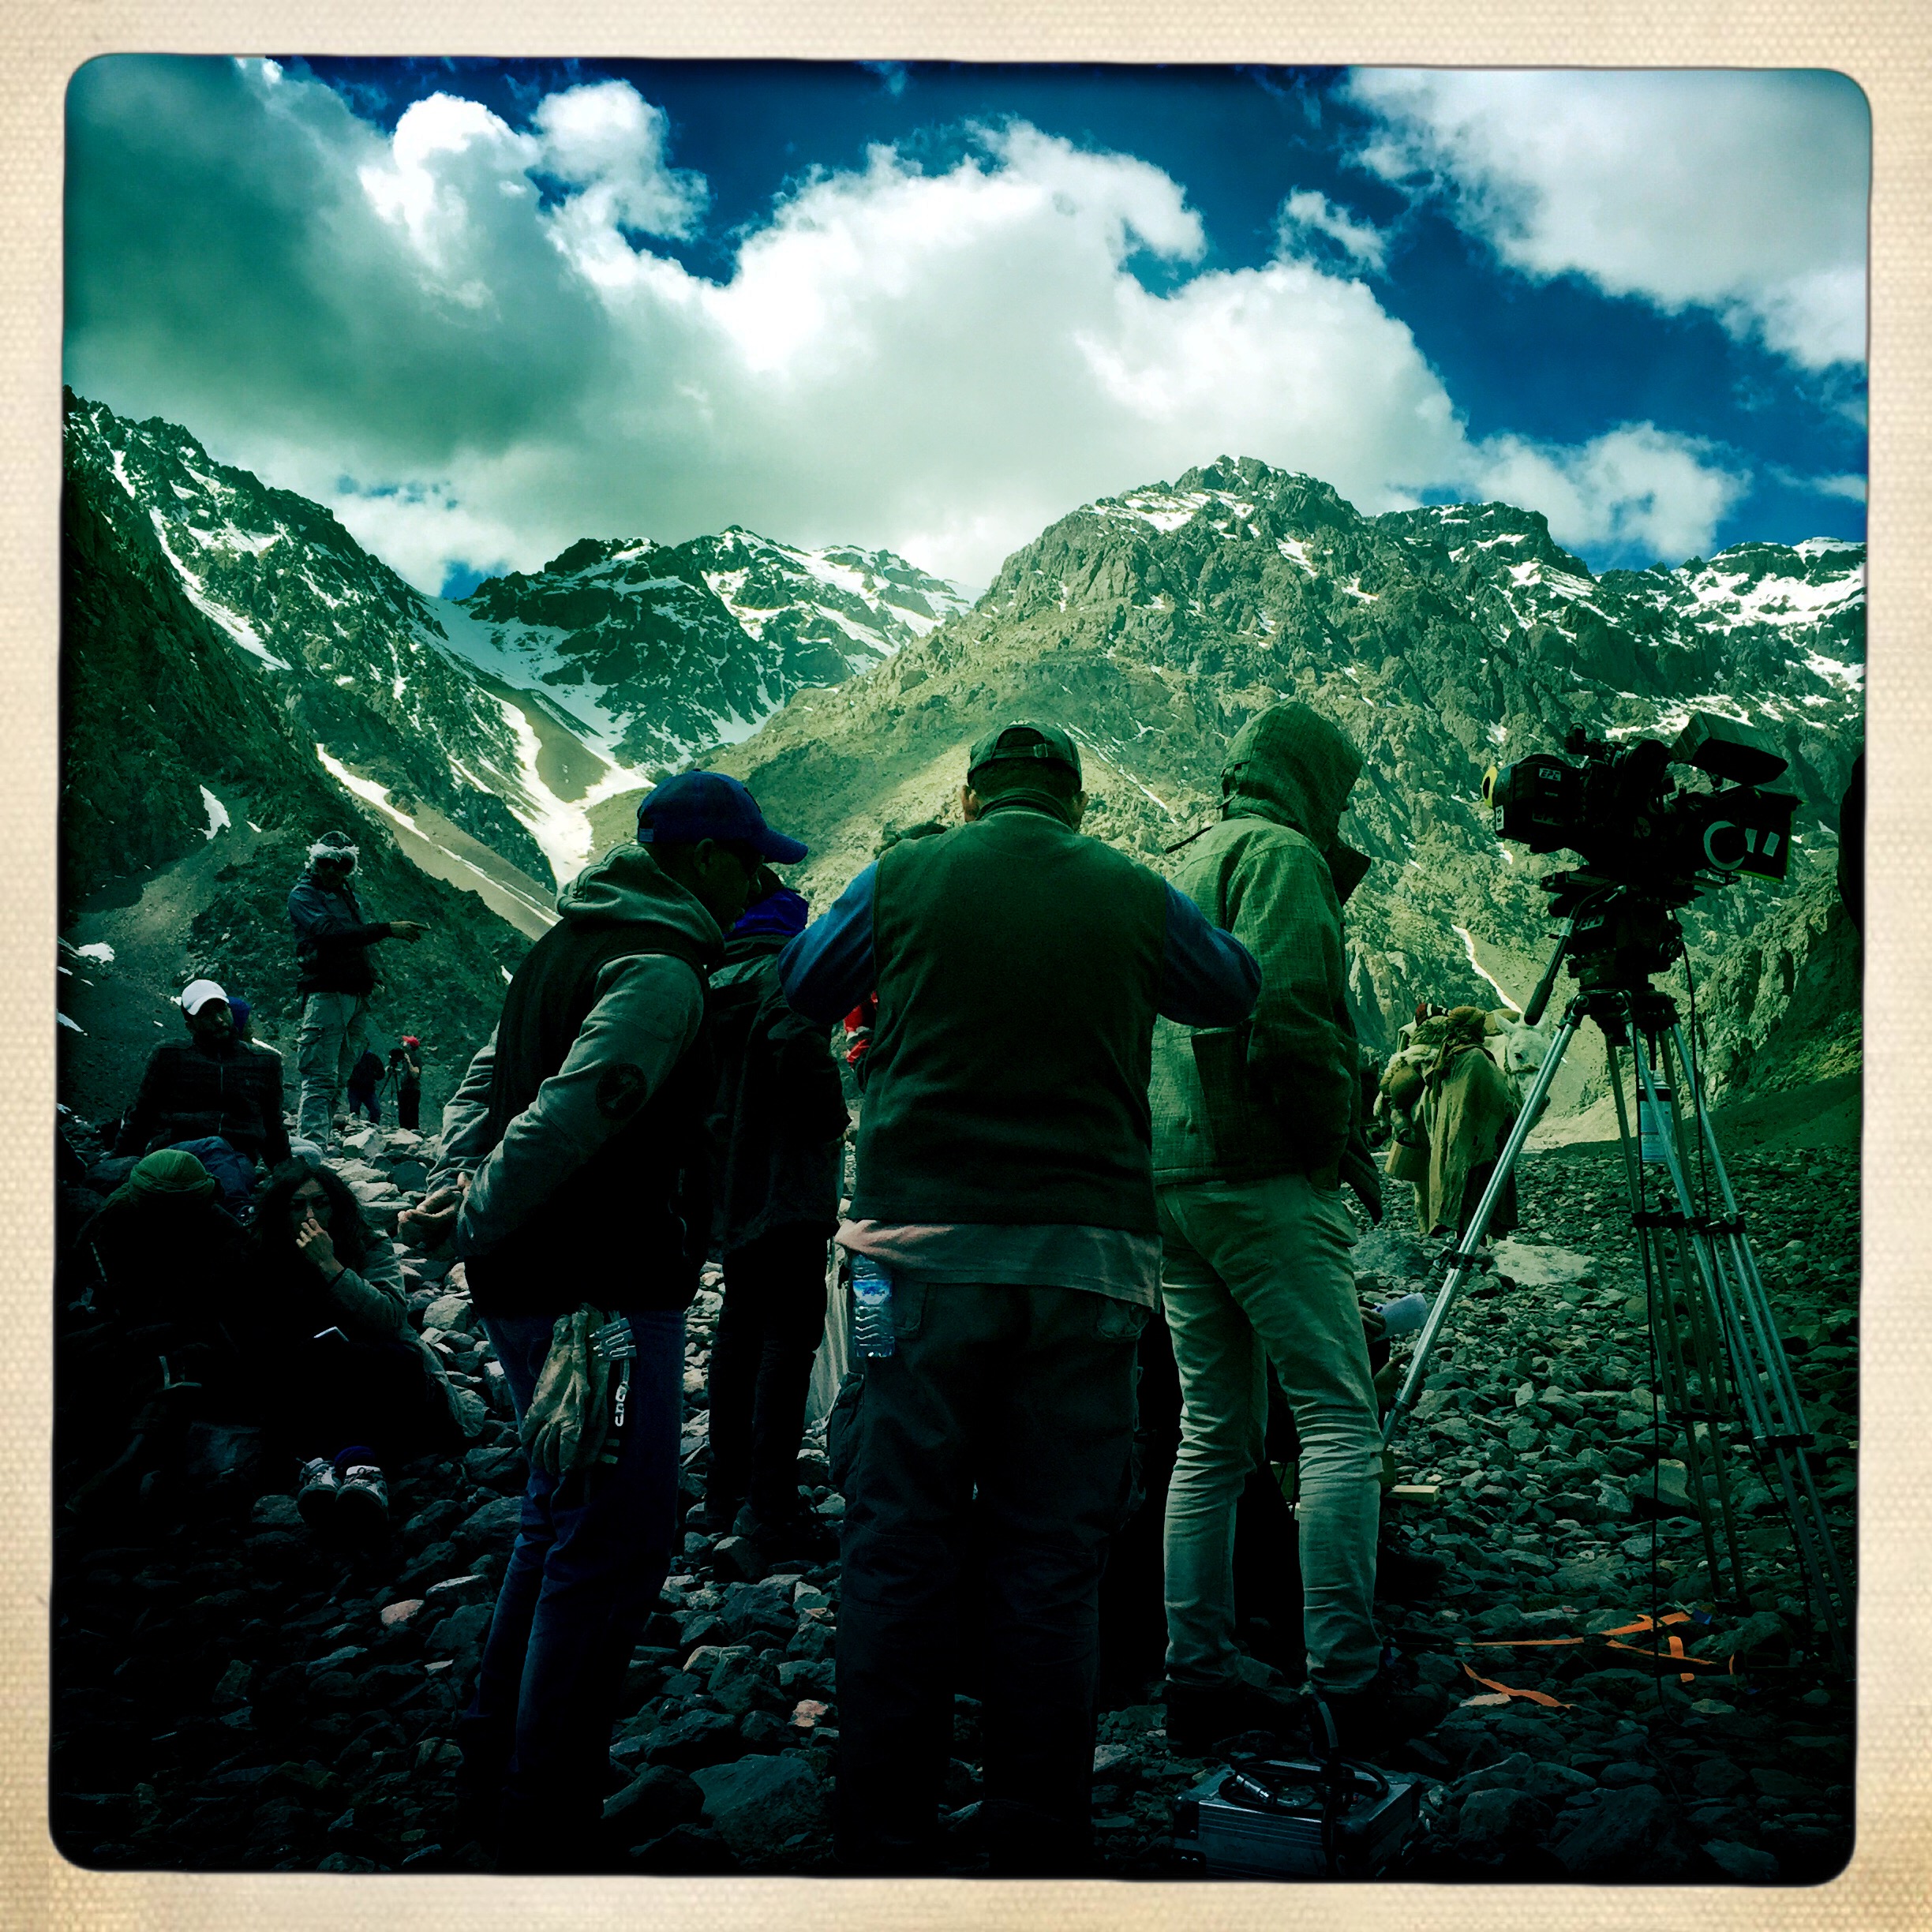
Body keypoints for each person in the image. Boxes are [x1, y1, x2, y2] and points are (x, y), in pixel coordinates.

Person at [778, 721, 1260, 1876]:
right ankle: (1036, 1838)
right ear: (1076, 804)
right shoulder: (1129, 887)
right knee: (1051, 1558)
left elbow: (801, 984)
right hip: (1087, 1268)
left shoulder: (905, 873)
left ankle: (885, 1837)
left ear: (969, 799)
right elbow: (1231, 988)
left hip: (911, 1263)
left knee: (898, 1542)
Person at [424, 769, 805, 1872]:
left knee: (555, 1517)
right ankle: (547, 1812)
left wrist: (455, 1191)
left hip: (530, 1286)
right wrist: (472, 1216)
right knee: (616, 1542)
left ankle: (492, 1763)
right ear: (704, 859)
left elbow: (485, 1081)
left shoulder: (566, 944)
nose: (758, 886)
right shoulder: (661, 971)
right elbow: (569, 1113)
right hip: (602, 1301)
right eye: (749, 864)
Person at [1148, 700, 1443, 1758]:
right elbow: (1293, 1017)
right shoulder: (1281, 858)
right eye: (1341, 792)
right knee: (1339, 1421)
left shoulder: (1186, 858)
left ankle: (1198, 1674)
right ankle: (1345, 1685)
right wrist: (1332, 1149)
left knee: (1210, 1433)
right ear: (1311, 781)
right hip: (1261, 1175)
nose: (1342, 812)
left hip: (1172, 1179)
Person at [699, 868, 850, 1556]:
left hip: (733, 1186)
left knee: (738, 1329)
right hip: (789, 1187)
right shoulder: (784, 976)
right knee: (790, 1341)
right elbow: (796, 1045)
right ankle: (773, 1506)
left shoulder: (712, 980)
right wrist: (832, 1118)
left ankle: (722, 1491)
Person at [247, 1158, 475, 1532]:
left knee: (372, 1362)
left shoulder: (369, 1243)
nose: (310, 1215)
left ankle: (355, 1468)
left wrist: (330, 1265)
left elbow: (389, 1316)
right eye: (297, 1206)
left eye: (320, 1203)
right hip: (309, 1374)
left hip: (378, 1369)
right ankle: (340, 1464)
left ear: (336, 1205)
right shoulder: (265, 1251)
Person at [288, 829, 425, 1145]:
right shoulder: (303, 895)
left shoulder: (345, 896)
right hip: (327, 992)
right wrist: (387, 929)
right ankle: (310, 1146)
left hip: (353, 994)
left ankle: (318, 1143)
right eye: (326, 862)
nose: (333, 871)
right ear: (314, 861)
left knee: (338, 1077)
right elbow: (329, 934)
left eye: (343, 865)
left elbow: (352, 938)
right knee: (321, 1076)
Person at [114, 977, 290, 1171]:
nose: (219, 1020)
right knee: (216, 1151)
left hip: (237, 1156)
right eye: (206, 1014)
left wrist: (286, 1171)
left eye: (221, 1010)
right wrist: (120, 1160)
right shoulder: (170, 1056)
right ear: (190, 1025)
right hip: (176, 1152)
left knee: (228, 1163)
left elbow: (273, 1125)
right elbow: (143, 1114)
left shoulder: (263, 1062)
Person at [345, 1048, 384, 1126]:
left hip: (368, 1089)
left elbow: (381, 1074)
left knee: (376, 1111)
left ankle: (373, 1128)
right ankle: (355, 1128)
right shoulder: (352, 1056)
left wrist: (371, 1075)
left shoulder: (372, 1058)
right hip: (354, 1088)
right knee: (354, 1114)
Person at [395, 1036, 425, 1131]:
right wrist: (396, 1071)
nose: (403, 1044)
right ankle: (404, 1130)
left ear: (410, 1046)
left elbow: (415, 1074)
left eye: (406, 1042)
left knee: (411, 1113)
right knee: (403, 1113)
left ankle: (413, 1132)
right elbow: (405, 1073)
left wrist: (409, 1062)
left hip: (412, 1090)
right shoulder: (405, 1057)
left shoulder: (415, 1058)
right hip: (405, 1088)